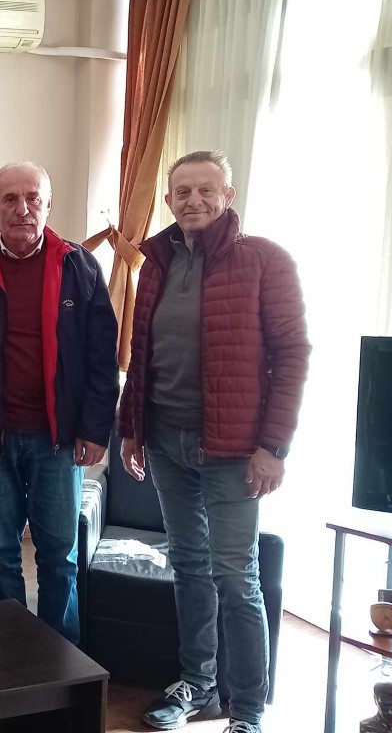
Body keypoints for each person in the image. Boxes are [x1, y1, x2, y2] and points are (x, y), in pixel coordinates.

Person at [119, 150, 310, 733]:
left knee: (236, 577)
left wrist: (274, 446)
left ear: (229, 196)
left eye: (206, 190)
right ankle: (197, 685)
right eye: (182, 191)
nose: (193, 200)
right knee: (188, 566)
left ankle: (246, 711)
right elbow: (141, 354)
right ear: (169, 200)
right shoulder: (156, 262)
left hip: (234, 452)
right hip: (165, 443)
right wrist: (132, 429)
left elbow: (293, 355)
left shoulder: (265, 260)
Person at [0, 162, 118, 645]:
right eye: (10, 199)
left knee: (59, 554)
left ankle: (61, 657)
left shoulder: (79, 266)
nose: (23, 209)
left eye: (33, 198)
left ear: (47, 204)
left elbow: (102, 356)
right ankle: (13, 656)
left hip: (58, 440)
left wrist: (95, 429)